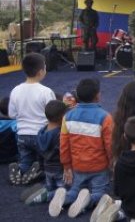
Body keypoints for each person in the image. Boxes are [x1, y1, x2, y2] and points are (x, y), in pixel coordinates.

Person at [49, 78, 114, 218]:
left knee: (74, 189)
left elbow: (63, 144)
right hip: (99, 166)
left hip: (77, 165)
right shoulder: (105, 117)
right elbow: (110, 145)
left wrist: (66, 166)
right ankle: (89, 200)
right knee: (100, 192)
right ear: (98, 95)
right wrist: (112, 164)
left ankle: (65, 197)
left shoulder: (67, 116)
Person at [8, 53, 56, 186]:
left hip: (22, 135)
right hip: (40, 135)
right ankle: (39, 170)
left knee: (25, 160)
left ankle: (21, 170)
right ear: (41, 72)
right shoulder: (45, 91)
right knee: (47, 161)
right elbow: (53, 115)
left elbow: (12, 114)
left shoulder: (15, 90)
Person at [23, 100, 68, 205]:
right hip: (59, 169)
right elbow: (64, 153)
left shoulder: (41, 132)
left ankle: (45, 190)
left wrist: (42, 167)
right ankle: (45, 196)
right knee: (63, 190)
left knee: (50, 185)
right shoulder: (60, 135)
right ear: (62, 117)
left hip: (47, 168)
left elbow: (39, 153)